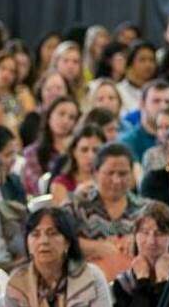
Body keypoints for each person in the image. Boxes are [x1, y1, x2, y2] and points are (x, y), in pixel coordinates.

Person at [67, 142, 150, 280]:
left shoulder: (146, 209)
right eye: (110, 173)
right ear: (95, 173)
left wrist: (141, 241)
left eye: (123, 174)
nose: (116, 180)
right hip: (86, 282)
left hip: (136, 283)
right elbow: (58, 239)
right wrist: (94, 247)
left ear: (132, 174)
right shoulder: (75, 206)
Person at [21, 96, 80, 196]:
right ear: (49, 116)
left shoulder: (79, 150)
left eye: (71, 117)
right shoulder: (31, 152)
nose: (65, 121)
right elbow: (37, 188)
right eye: (61, 114)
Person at [119, 79, 169, 162]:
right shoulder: (127, 142)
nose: (163, 106)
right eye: (156, 101)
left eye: (168, 102)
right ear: (142, 104)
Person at [50, 125, 105, 205]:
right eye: (84, 150)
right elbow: (61, 211)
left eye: (96, 150)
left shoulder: (111, 181)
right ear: (74, 152)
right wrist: (75, 197)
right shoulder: (60, 184)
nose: (91, 156)